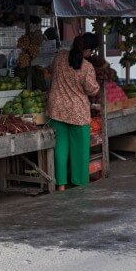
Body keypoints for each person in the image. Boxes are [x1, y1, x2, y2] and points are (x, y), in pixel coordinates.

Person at [46, 32, 100, 191]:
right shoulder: (87, 67)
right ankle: (79, 182)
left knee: (60, 148)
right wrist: (97, 86)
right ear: (88, 50)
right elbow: (92, 90)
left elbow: (51, 72)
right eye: (91, 51)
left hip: (56, 109)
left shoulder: (59, 57)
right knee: (80, 150)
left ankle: (61, 184)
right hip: (77, 112)